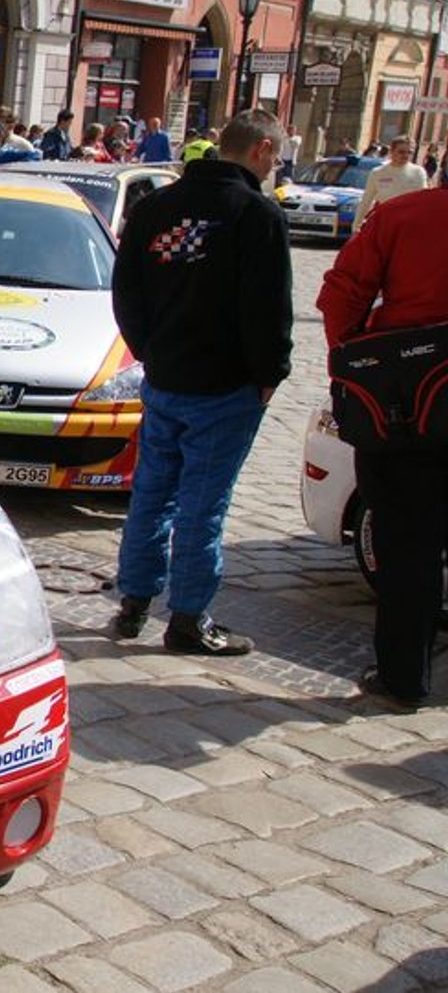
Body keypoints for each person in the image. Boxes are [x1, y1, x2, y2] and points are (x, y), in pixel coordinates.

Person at [109, 109, 292, 657]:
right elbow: (267, 308)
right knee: (202, 505)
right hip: (225, 384)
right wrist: (269, 373)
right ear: (261, 149)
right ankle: (187, 618)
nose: (276, 167)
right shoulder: (255, 213)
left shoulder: (156, 207)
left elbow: (127, 295)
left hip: (166, 376)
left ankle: (134, 602)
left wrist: (151, 350)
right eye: (277, 157)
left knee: (152, 494)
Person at [316, 168, 448, 710]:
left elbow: (340, 297)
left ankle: (402, 677)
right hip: (414, 406)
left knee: (407, 548)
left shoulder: (402, 215)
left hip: (408, 408)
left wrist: (357, 363)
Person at [357, 134, 429, 221]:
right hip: (385, 220)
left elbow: (423, 202)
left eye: (409, 152)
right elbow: (366, 201)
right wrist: (356, 225)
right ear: (392, 151)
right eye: (401, 152)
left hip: (408, 222)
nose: (406, 155)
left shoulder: (418, 172)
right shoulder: (378, 173)